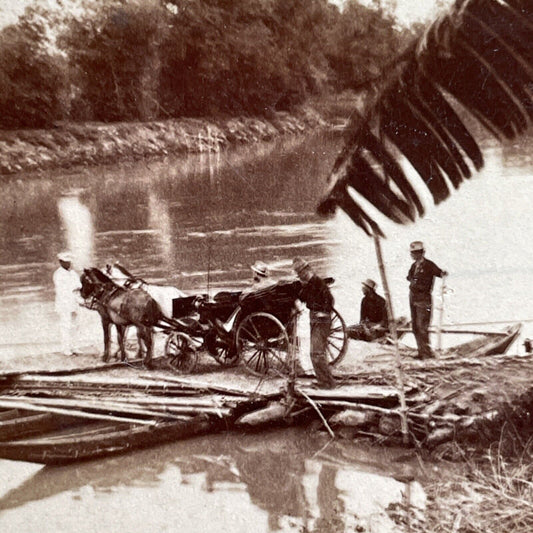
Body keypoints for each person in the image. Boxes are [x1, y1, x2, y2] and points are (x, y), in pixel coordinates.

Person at [293, 257, 335, 388]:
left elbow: (330, 299)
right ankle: (325, 380)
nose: (300, 276)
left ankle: (326, 383)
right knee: (317, 352)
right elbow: (302, 297)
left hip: (321, 320)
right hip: (315, 319)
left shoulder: (317, 282)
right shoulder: (310, 283)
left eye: (300, 274)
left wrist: (324, 312)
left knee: (316, 353)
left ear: (306, 271)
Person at [407, 241, 447, 359]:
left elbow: (440, 273)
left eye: (415, 253)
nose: (412, 255)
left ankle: (426, 353)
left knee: (422, 326)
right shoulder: (414, 266)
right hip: (413, 297)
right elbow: (409, 276)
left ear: (421, 253)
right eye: (412, 253)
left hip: (423, 299)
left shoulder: (429, 265)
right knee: (415, 326)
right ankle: (421, 351)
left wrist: (443, 273)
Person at [53, 252, 81, 356]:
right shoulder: (58, 274)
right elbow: (62, 290)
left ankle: (75, 347)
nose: (68, 264)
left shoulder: (73, 273)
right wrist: (74, 288)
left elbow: (79, 285)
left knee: (76, 325)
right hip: (64, 303)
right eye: (65, 262)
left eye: (69, 262)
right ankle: (66, 348)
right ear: (60, 262)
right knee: (66, 325)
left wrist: (76, 289)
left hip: (74, 302)